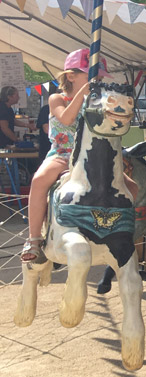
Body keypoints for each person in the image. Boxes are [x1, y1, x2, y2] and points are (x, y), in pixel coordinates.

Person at [20, 49, 105, 262]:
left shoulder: (97, 101)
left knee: (130, 184)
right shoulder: (57, 98)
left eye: (99, 77)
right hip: (62, 154)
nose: (96, 81)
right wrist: (83, 94)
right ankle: (34, 238)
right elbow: (66, 119)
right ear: (71, 75)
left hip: (91, 154)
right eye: (90, 76)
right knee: (39, 180)